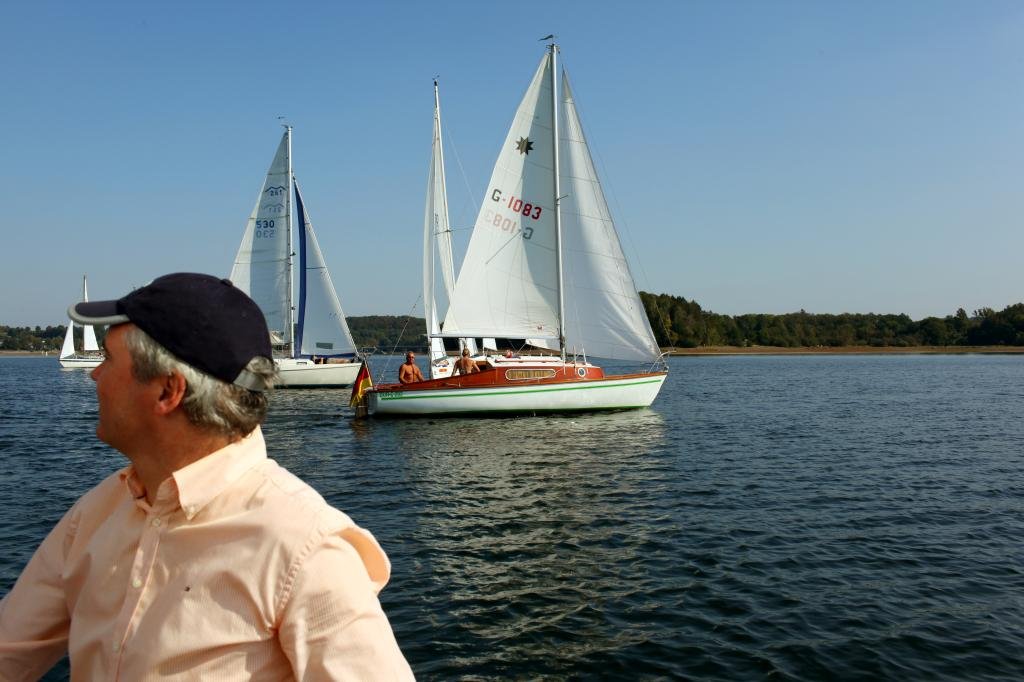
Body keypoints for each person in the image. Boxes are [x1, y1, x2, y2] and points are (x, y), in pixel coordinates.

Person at [0, 273, 413, 680]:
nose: (94, 375)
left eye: (107, 359)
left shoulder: (305, 550)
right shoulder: (96, 513)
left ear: (168, 391)